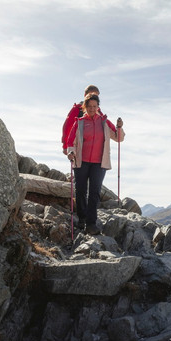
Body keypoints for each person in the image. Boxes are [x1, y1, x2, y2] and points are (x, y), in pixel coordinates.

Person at [63, 93, 124, 235]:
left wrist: (119, 127)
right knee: (81, 191)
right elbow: (70, 141)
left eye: (94, 106)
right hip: (81, 161)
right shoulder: (79, 122)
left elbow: (118, 137)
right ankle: (82, 219)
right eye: (89, 106)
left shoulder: (104, 122)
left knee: (94, 192)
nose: (92, 109)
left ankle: (91, 224)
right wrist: (71, 152)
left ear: (98, 107)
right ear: (85, 107)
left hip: (99, 163)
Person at [62, 84, 102, 152]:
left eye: (96, 96)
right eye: (91, 95)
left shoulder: (98, 112)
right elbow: (67, 126)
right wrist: (65, 146)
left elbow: (103, 125)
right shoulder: (77, 109)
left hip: (93, 148)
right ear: (85, 95)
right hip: (77, 145)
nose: (93, 97)